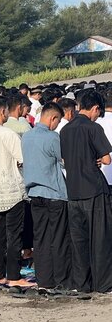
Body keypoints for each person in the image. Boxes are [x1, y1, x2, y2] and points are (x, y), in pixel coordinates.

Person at [60, 89, 112, 293]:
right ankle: (104, 283)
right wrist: (98, 159)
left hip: (72, 189)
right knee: (101, 238)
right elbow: (107, 159)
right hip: (94, 189)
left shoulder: (65, 130)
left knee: (78, 240)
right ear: (96, 108)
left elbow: (64, 159)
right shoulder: (93, 128)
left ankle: (82, 284)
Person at [0, 97, 34, 287]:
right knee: (14, 234)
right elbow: (22, 158)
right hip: (11, 189)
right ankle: (14, 275)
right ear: (2, 112)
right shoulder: (7, 134)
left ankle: (0, 273)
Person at [22, 102, 72, 291]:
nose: (57, 126)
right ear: (53, 118)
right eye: (57, 122)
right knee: (58, 238)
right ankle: (61, 279)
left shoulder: (26, 137)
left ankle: (44, 280)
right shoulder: (52, 137)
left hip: (34, 194)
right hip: (54, 194)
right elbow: (65, 161)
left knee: (40, 239)